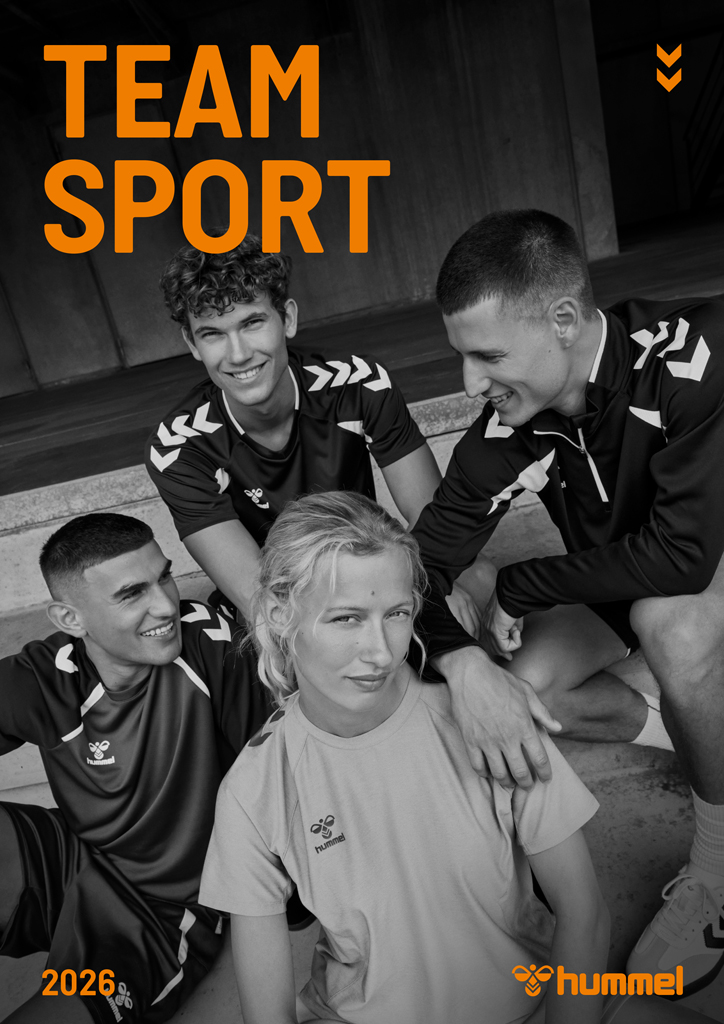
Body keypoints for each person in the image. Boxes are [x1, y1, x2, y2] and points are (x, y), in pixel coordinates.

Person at [198, 491, 715, 1024]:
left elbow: (583, 913)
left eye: (397, 614)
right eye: (346, 619)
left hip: (540, 1002)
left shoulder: (492, 722)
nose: (380, 652)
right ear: (280, 613)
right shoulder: (253, 790)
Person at [409, 209, 724, 993]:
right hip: (623, 573)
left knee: (671, 623)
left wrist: (515, 582)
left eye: (488, 356)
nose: (470, 384)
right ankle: (699, 737)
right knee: (520, 692)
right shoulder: (507, 428)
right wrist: (463, 666)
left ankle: (718, 867)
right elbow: (417, 570)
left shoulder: (693, 357)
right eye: (461, 357)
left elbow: (683, 557)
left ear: (561, 320)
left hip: (703, 562)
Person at [0, 513, 270, 1024]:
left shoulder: (207, 643)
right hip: (67, 856)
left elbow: (278, 783)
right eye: (131, 594)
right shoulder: (45, 676)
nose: (166, 604)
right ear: (70, 619)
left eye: (164, 576)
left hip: (161, 911)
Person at [145, 233, 480, 631]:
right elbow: (260, 599)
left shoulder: (357, 384)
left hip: (367, 563)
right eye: (213, 333)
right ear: (192, 342)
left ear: (287, 319)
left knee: (476, 578)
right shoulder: (179, 447)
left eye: (252, 323)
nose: (238, 354)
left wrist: (433, 583)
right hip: (285, 597)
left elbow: (433, 520)